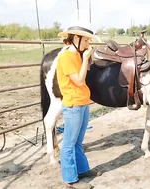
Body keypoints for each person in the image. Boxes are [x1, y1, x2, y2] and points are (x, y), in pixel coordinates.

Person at [56, 21, 101, 189]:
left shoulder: (76, 54)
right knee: (69, 142)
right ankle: (71, 179)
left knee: (78, 141)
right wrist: (86, 59)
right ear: (76, 38)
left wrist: (84, 58)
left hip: (82, 103)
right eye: (86, 40)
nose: (88, 44)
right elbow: (80, 80)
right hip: (74, 104)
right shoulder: (67, 56)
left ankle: (82, 169)